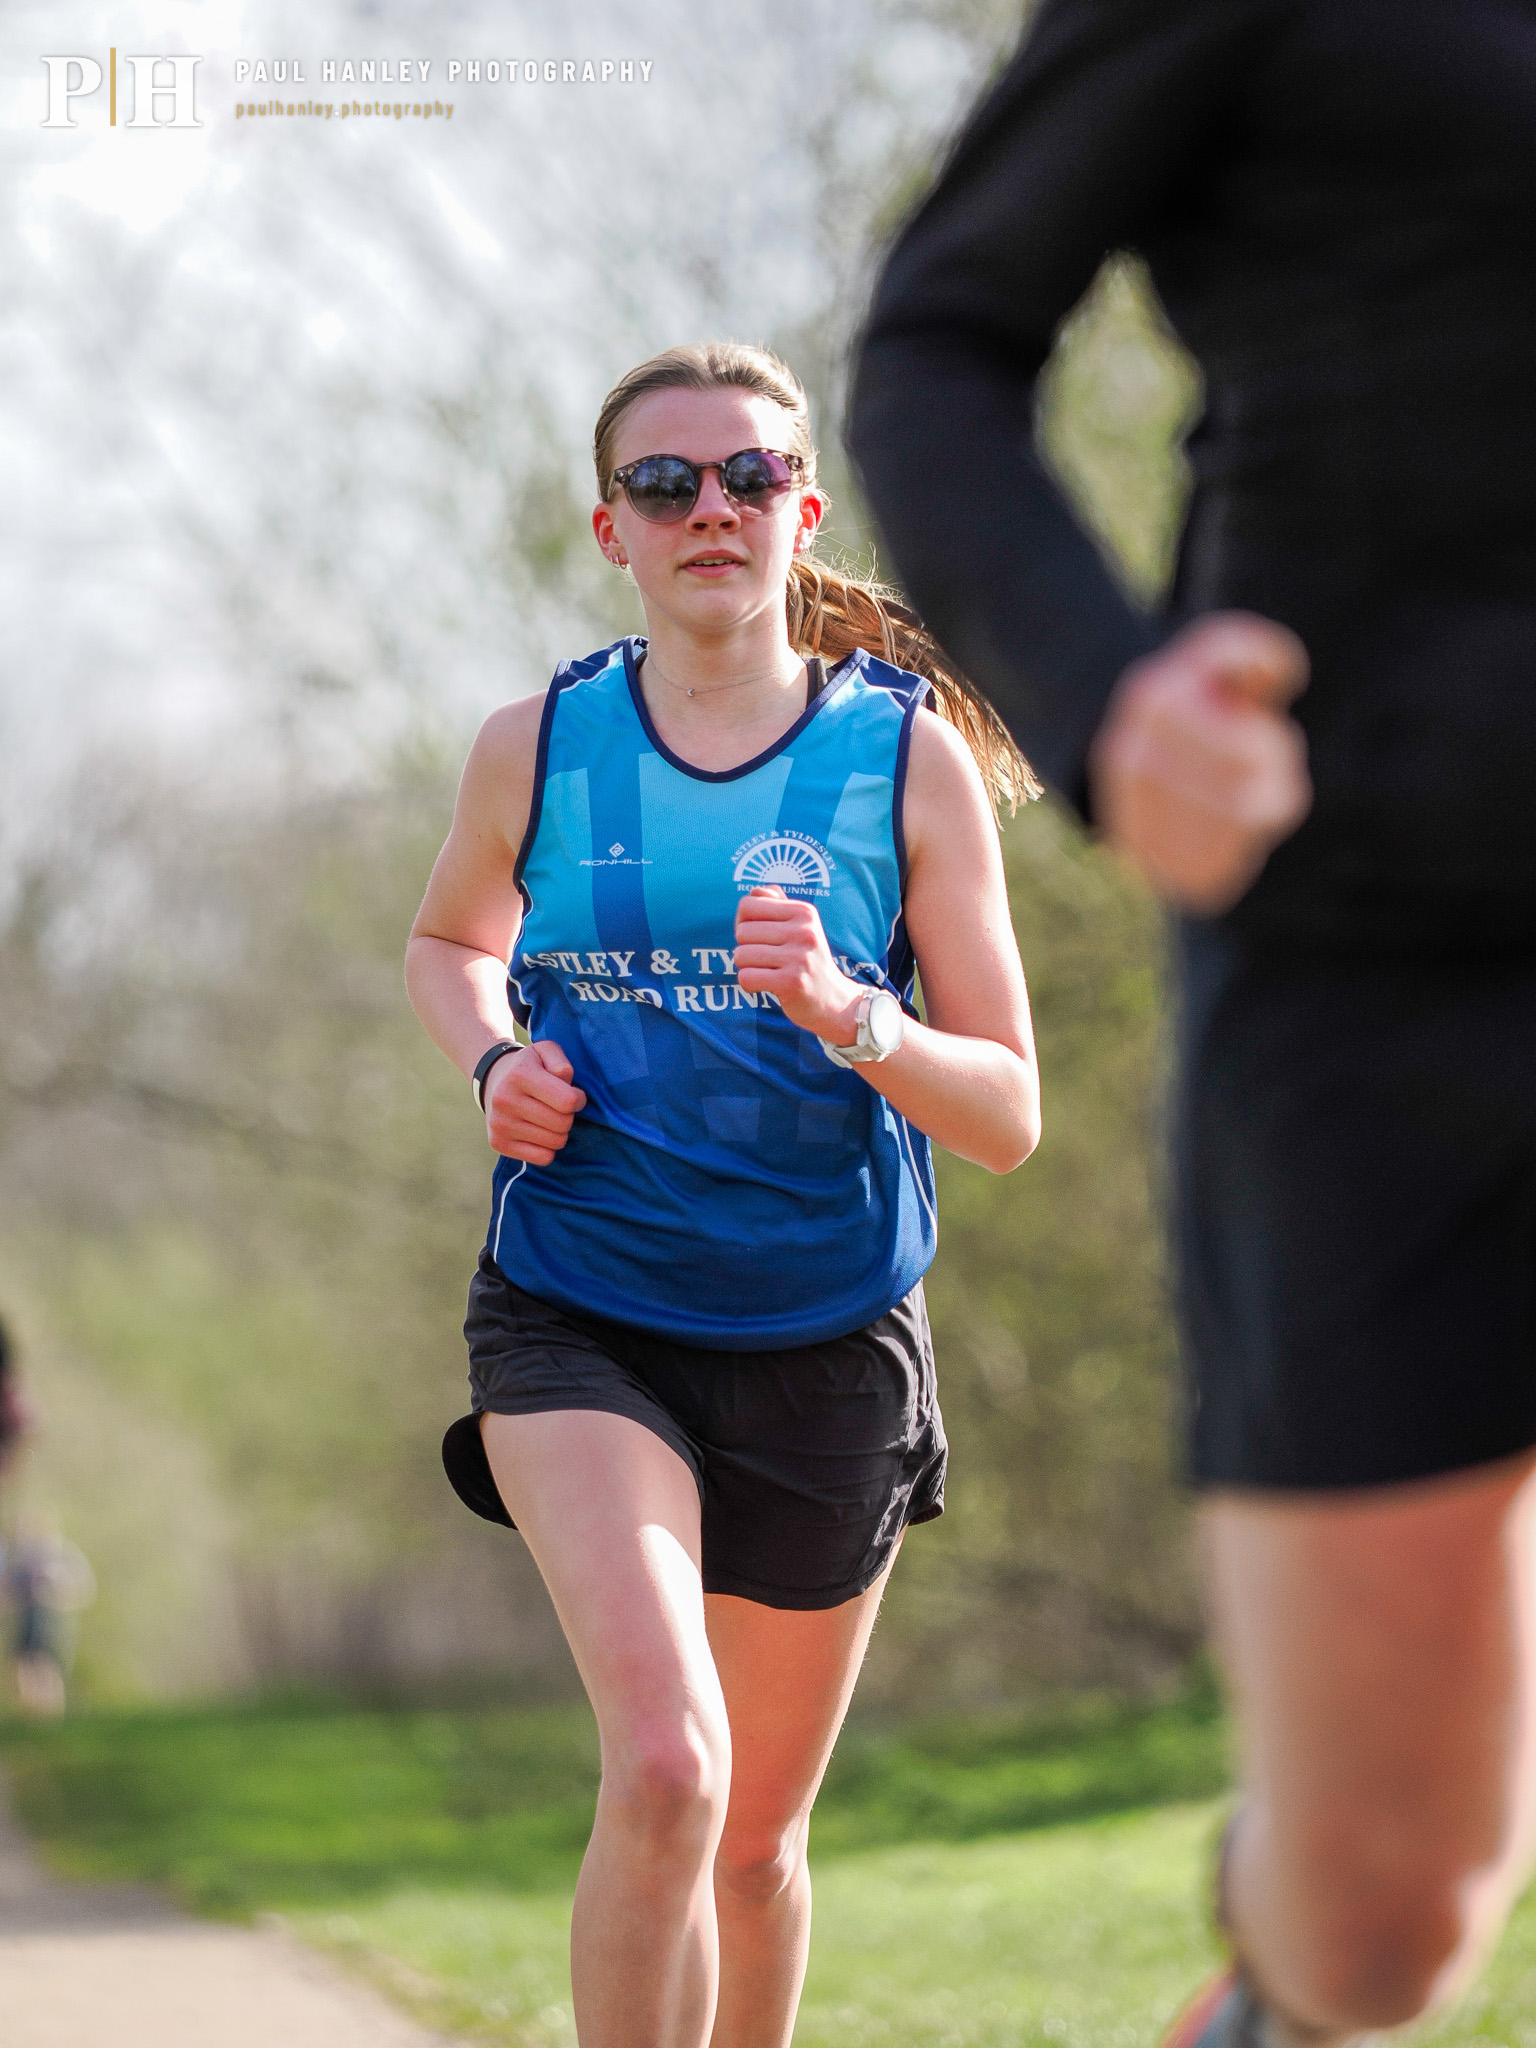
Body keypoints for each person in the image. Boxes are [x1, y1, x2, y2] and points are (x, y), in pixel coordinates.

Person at [846, 6, 1536, 2046]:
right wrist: (1113, 702)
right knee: (1388, 1918)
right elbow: (938, 342)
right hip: (1371, 950)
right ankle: (1276, 1956)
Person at [405, 341, 1041, 2048]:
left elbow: (1007, 1115)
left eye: (749, 476)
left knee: (755, 1846)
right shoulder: (536, 744)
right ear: (611, 526)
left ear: (802, 509)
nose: (711, 509)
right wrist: (490, 1061)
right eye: (666, 483)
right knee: (672, 1767)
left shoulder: (906, 767)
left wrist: (858, 1017)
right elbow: (449, 940)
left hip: (830, 1336)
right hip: (579, 1311)